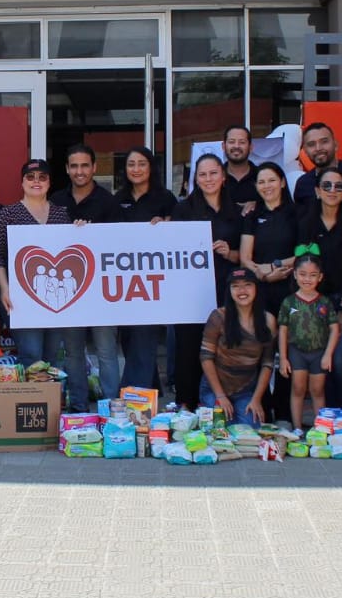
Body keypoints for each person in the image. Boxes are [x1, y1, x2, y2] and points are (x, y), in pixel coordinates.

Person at [172, 153, 245, 410]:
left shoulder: (237, 212)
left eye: (213, 173)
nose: (208, 179)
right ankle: (186, 405)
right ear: (195, 179)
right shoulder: (182, 210)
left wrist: (230, 252)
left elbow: (244, 256)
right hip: (190, 292)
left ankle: (223, 405)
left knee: (225, 347)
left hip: (226, 290)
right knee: (189, 348)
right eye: (202, 174)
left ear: (223, 176)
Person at [51, 144, 122, 402]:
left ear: (94, 167)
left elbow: (119, 246)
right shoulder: (56, 201)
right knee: (73, 352)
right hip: (69, 291)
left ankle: (112, 408)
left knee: (106, 351)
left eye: (84, 166)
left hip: (102, 292)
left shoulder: (109, 202)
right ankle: (80, 408)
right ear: (67, 170)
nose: (79, 171)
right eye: (74, 166)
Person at [0, 159, 72, 371]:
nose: (36, 181)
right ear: (22, 182)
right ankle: (33, 403)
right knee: (31, 357)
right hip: (21, 298)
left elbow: (70, 254)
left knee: (53, 357)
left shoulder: (61, 214)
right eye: (30, 177)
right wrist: (5, 288)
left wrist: (80, 230)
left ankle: (54, 403)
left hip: (56, 299)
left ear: (49, 182)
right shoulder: (8, 214)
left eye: (42, 177)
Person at [298, 165, 342, 407]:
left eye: (338, 186)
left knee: (341, 360)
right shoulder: (307, 221)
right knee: (320, 361)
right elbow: (304, 261)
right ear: (317, 191)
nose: (332, 190)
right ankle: (326, 419)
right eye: (326, 185)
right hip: (316, 300)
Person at [114, 146, 178, 390]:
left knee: (145, 334)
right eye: (131, 164)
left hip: (153, 282)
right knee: (129, 338)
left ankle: (135, 393)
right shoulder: (117, 200)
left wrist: (167, 225)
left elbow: (180, 234)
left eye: (142, 163)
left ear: (151, 167)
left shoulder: (166, 199)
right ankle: (151, 389)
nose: (136, 169)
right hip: (123, 283)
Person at [199, 267, 277, 424]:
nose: (242, 290)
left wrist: (256, 400)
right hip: (215, 389)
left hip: (246, 391)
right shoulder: (218, 317)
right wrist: (220, 396)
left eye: (247, 284)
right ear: (229, 291)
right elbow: (206, 357)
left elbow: (268, 363)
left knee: (249, 433)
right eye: (235, 286)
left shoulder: (268, 320)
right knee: (222, 429)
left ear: (256, 288)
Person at [277, 254, 340, 434]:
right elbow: (283, 330)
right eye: (303, 274)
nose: (307, 279)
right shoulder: (289, 302)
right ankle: (297, 428)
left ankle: (320, 429)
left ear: (320, 277)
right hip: (297, 352)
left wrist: (328, 354)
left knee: (317, 390)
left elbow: (334, 329)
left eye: (313, 275)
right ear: (295, 274)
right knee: (298, 389)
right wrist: (283, 358)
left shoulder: (324, 302)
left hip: (319, 353)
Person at [239, 162, 299, 326]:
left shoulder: (297, 214)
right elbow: (245, 259)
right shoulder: (252, 215)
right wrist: (263, 275)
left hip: (292, 289)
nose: (267, 186)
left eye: (271, 180)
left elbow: (305, 254)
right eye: (261, 182)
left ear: (282, 182)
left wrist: (274, 266)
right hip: (260, 290)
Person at [292, 123, 342, 211]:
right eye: (311, 144)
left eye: (324, 141)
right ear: (305, 151)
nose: (318, 148)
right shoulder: (303, 184)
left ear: (335, 145)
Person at [220, 125, 259, 215]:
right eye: (231, 142)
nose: (236, 146)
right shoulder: (214, 178)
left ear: (250, 147)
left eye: (242, 142)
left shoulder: (261, 176)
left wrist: (259, 205)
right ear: (223, 146)